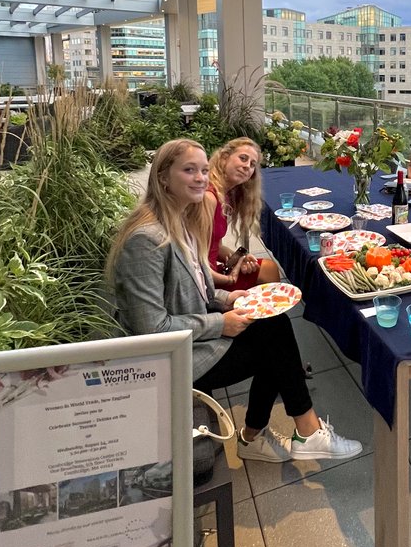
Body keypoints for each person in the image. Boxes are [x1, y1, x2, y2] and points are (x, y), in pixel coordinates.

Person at [108, 139, 362, 464]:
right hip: (170, 361)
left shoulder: (179, 222)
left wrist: (229, 298)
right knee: (276, 342)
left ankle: (274, 435)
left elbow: (198, 284)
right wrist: (221, 323)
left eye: (202, 169)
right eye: (189, 170)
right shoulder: (146, 239)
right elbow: (150, 328)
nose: (201, 178)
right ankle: (285, 434)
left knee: (274, 323)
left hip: (191, 336)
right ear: (162, 178)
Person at [206, 138, 280, 290]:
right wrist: (228, 278)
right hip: (202, 280)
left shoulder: (225, 195)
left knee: (269, 268)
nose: (247, 166)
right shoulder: (209, 197)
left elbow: (215, 247)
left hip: (210, 270)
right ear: (224, 157)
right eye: (243, 158)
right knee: (268, 271)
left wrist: (239, 259)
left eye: (252, 164)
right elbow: (192, 258)